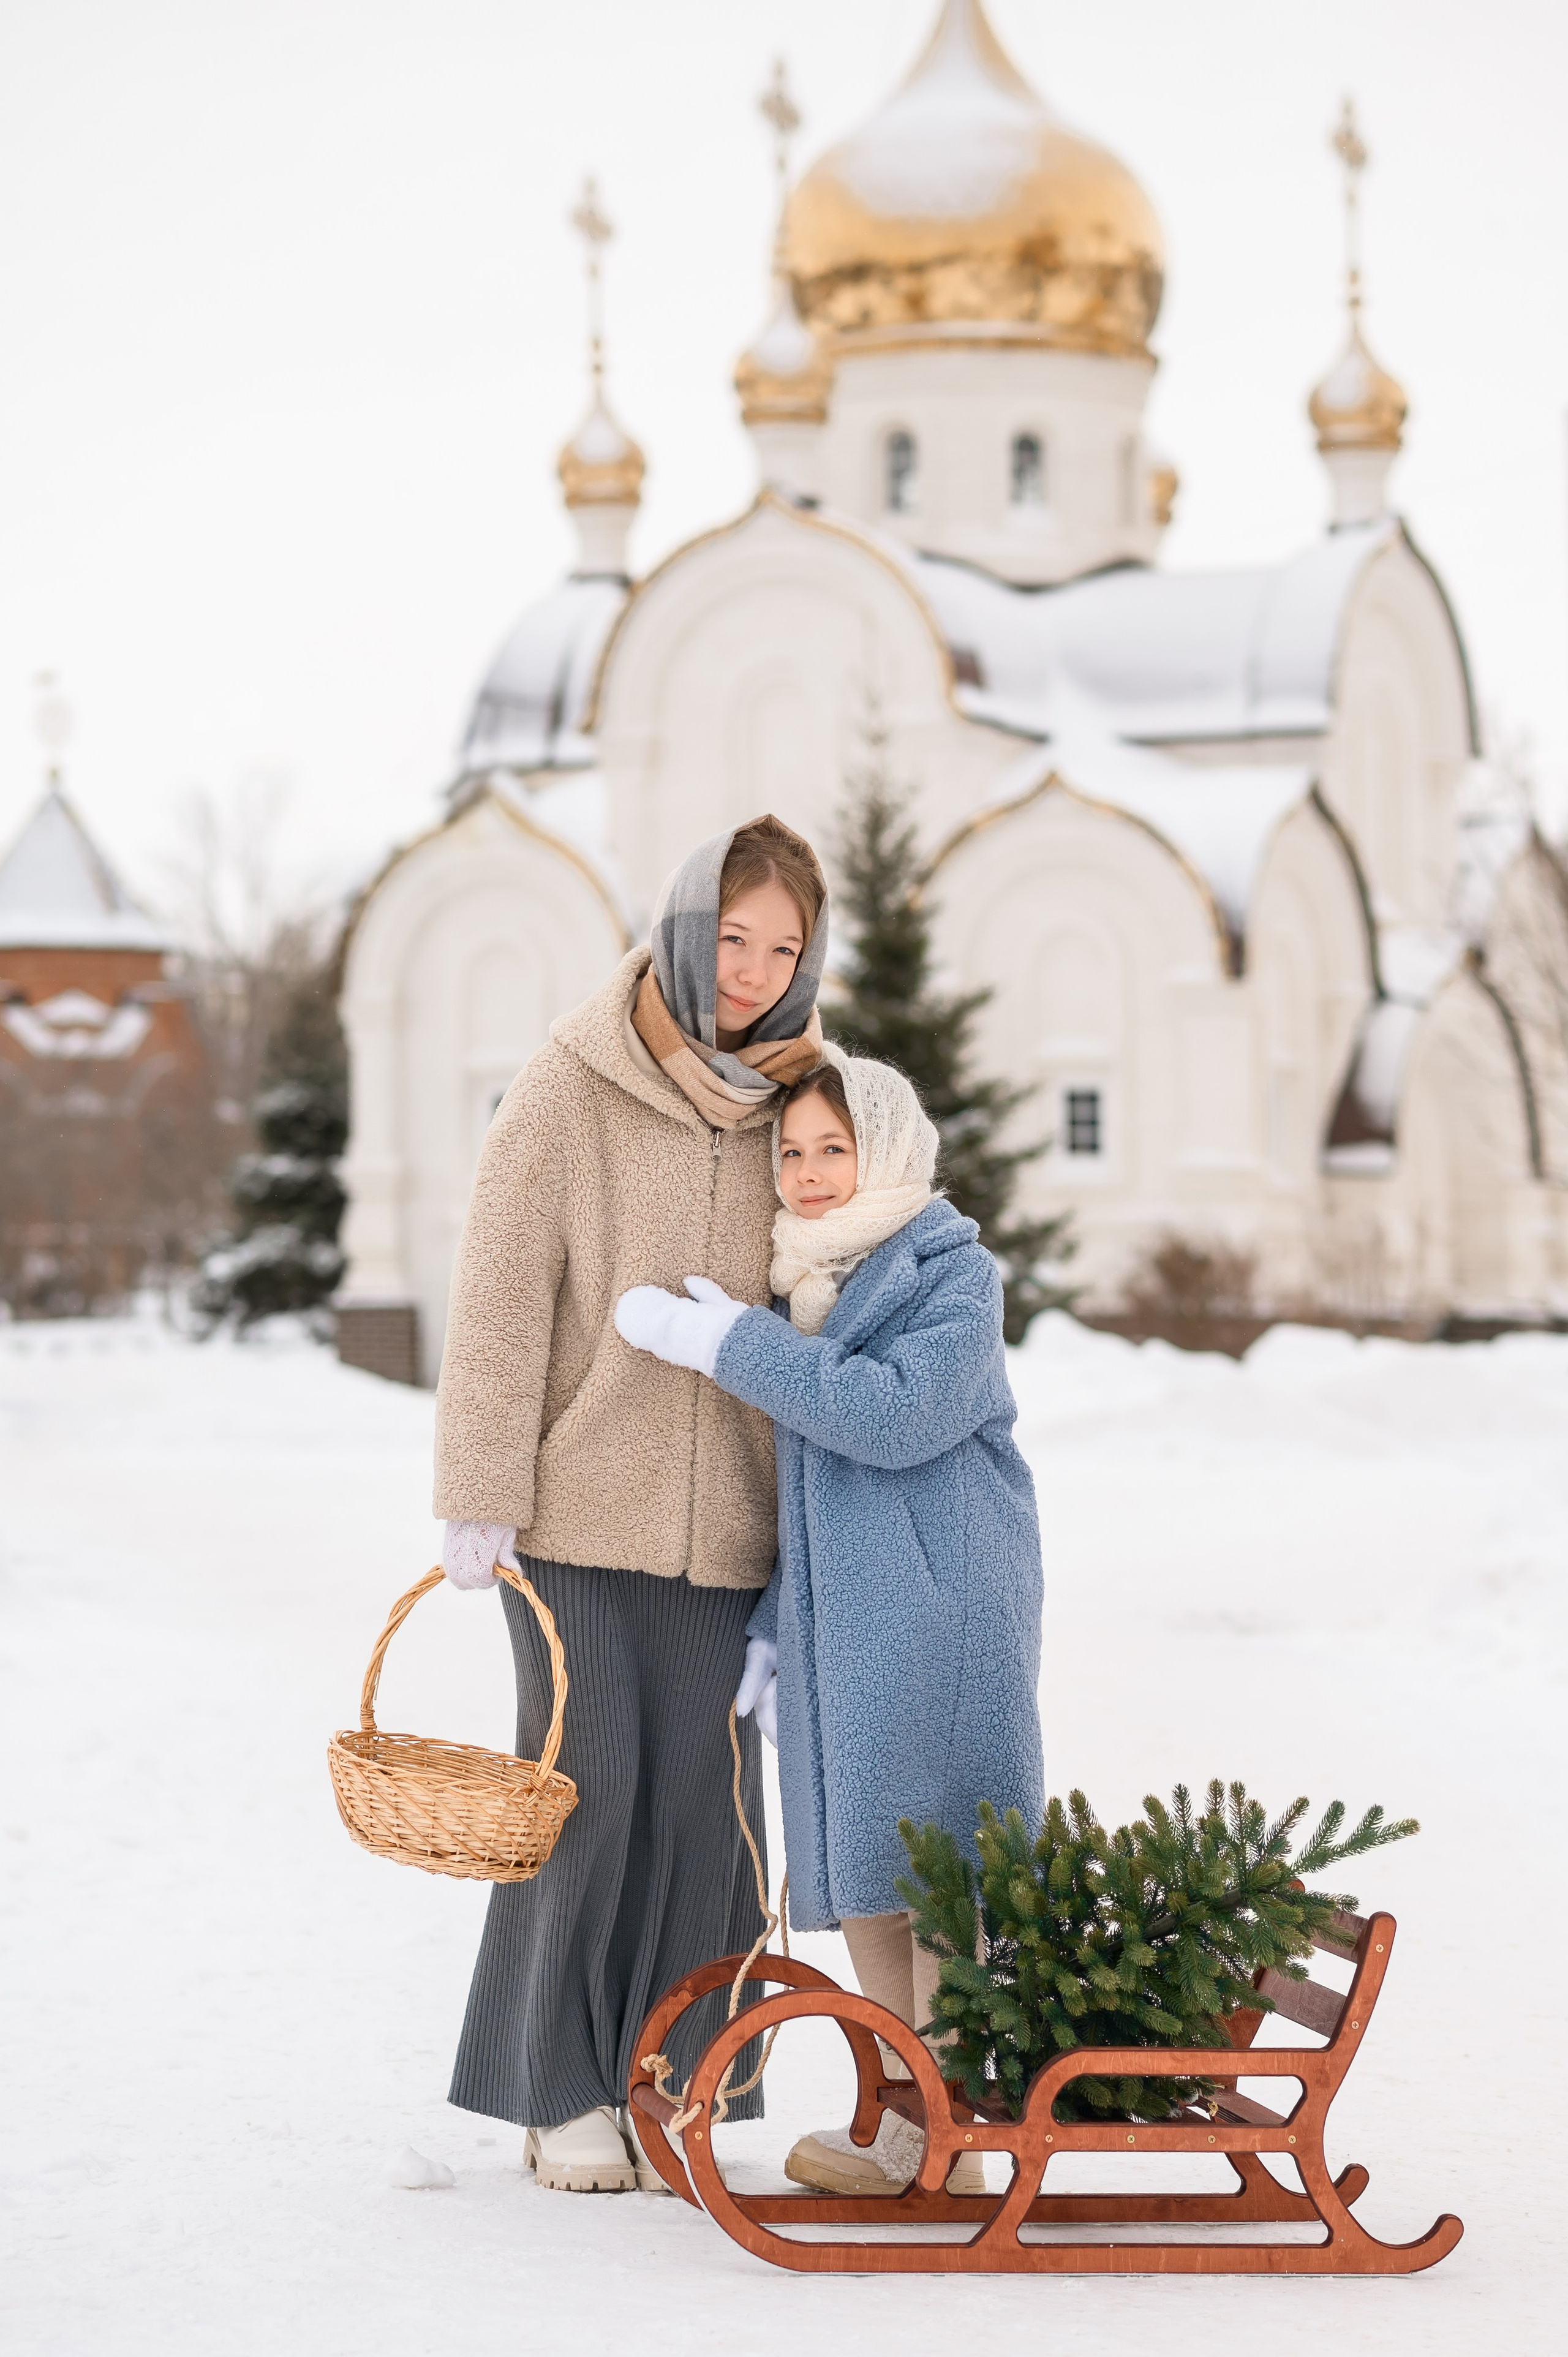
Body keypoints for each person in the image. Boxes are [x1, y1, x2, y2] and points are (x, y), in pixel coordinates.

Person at [434, 813, 828, 2193]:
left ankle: (679, 2085)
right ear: (681, 927)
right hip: (575, 1520)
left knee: (707, 1819)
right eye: (733, 936)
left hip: (733, 1526)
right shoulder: (571, 1080)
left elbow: (826, 1285)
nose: (754, 969)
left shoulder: (797, 1095)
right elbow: (497, 1298)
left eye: (781, 945)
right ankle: (557, 2091)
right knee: (585, 1798)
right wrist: (481, 1488)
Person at [615, 1046, 1045, 2197]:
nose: (807, 1174)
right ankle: (906, 2122)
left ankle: (947, 2134)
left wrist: (729, 1349)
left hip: (948, 1609)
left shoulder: (953, 1275)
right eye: (792, 1153)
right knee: (865, 1863)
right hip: (851, 1621)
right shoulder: (810, 1284)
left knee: (945, 1857)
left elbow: (893, 1419)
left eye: (832, 1150)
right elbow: (817, 1491)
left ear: (887, 1150)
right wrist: (772, 1618)